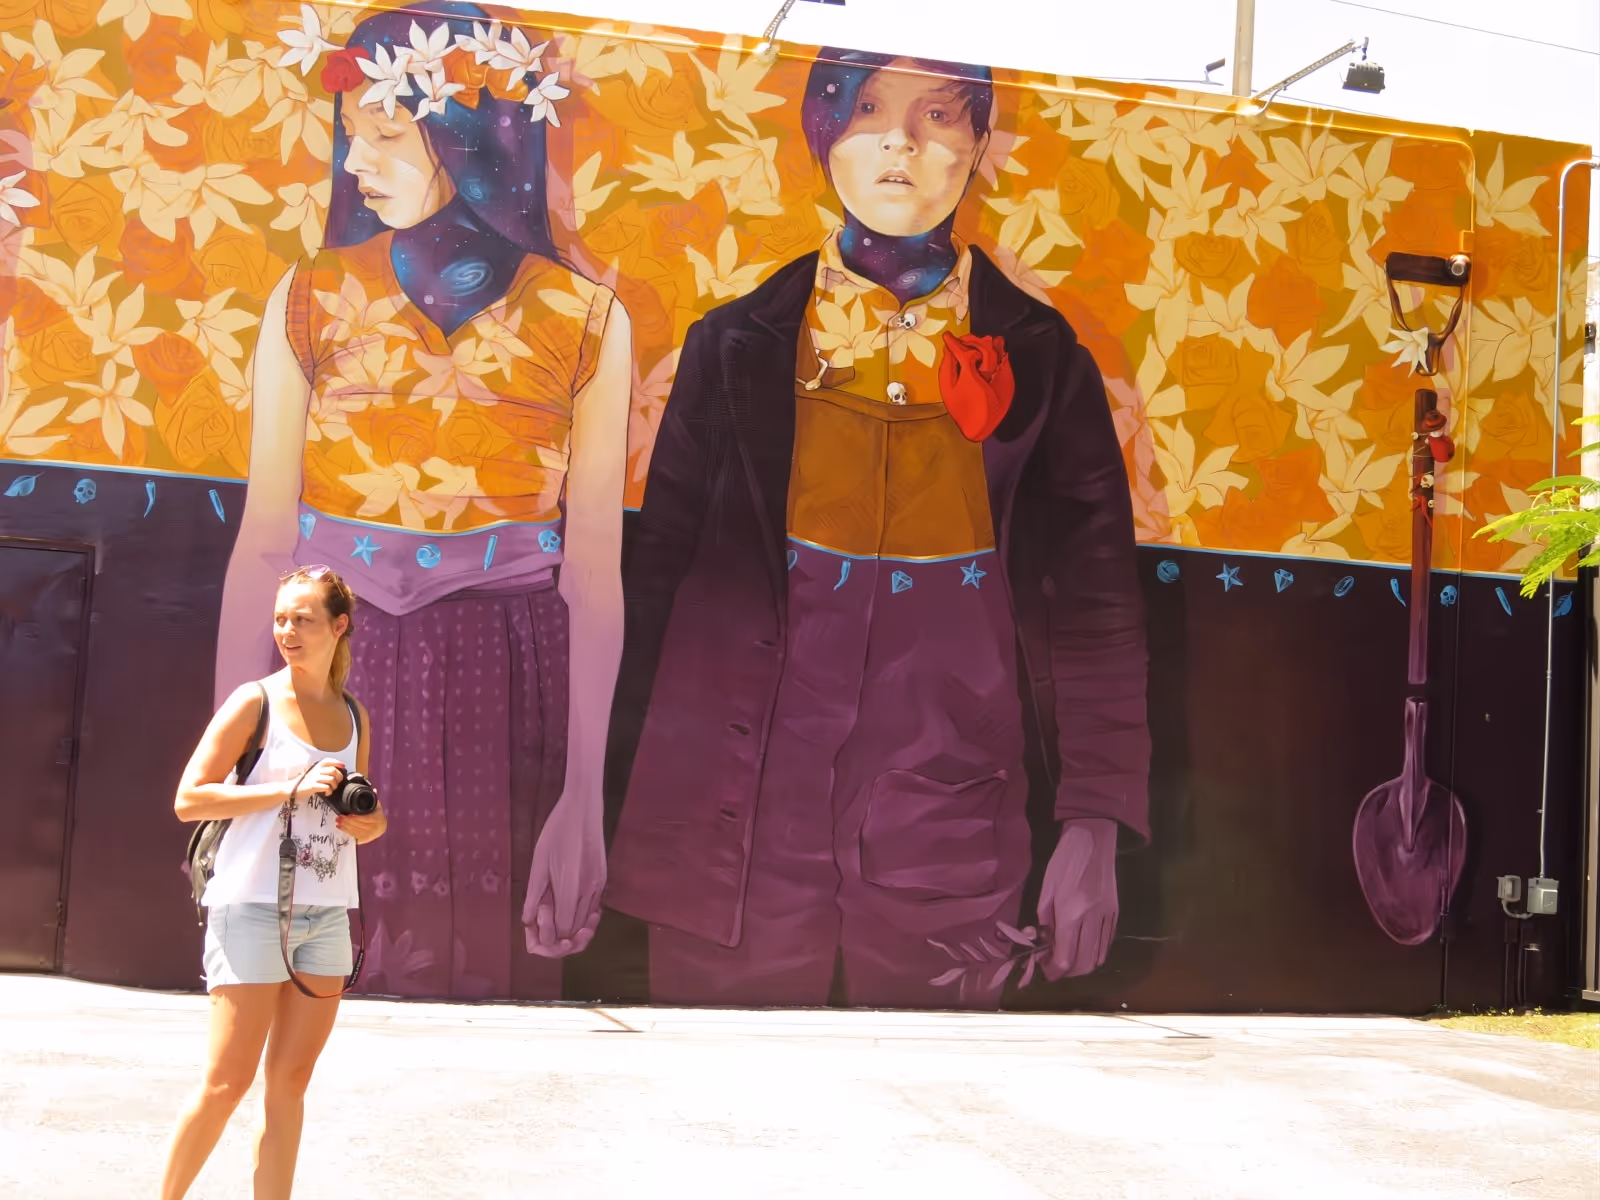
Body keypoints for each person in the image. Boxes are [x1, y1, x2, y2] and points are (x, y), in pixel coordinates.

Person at [606, 49, 1150, 1009]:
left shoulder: (1046, 359)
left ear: (980, 144)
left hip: (954, 822)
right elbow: (655, 583)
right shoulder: (734, 344)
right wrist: (600, 804)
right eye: (868, 110)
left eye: (941, 115)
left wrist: (1095, 821)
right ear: (823, 136)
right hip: (734, 816)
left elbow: (1098, 608)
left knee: (938, 1110)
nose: (901, 141)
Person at [213, 0, 630, 999]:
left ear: (473, 140)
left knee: (484, 979)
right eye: (352, 133)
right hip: (335, 673)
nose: (358, 161)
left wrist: (582, 798)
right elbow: (265, 544)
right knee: (313, 975)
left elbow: (594, 574)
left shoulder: (584, 319)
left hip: (509, 673)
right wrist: (228, 754)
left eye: (388, 134)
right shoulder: (307, 298)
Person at [163, 565, 385, 1200]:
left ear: (338, 627)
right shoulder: (254, 701)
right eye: (282, 617)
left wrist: (370, 824)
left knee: (289, 1083)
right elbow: (189, 798)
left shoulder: (352, 714)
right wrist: (284, 788)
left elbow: (364, 810)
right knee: (227, 1083)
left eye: (304, 619)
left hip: (326, 914)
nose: (287, 630)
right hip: (251, 906)